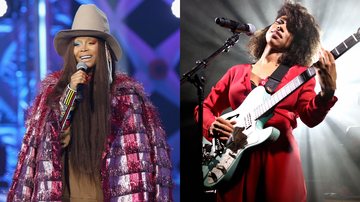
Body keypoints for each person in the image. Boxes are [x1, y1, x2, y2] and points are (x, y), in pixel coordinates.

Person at [7, 4, 172, 202]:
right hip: (67, 188)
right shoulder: (54, 92)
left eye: (90, 42)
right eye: (77, 43)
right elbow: (52, 139)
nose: (83, 49)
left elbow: (140, 156)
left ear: (102, 48)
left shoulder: (126, 96)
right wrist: (69, 92)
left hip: (108, 189)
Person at [195, 1, 337, 202]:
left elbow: (310, 118)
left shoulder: (300, 75)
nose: (281, 27)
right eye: (280, 21)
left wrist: (327, 93)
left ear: (298, 42)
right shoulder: (237, 72)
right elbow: (205, 108)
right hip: (232, 159)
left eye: (290, 29)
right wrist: (211, 125)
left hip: (277, 160)